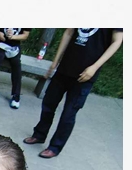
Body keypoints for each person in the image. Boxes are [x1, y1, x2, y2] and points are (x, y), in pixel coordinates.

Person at [23, 28, 123, 159]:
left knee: (69, 113)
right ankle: (39, 134)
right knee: (48, 103)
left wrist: (95, 67)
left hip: (85, 75)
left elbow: (117, 41)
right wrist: (55, 62)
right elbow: (68, 32)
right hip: (65, 68)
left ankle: (55, 147)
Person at [0, 28, 31, 109]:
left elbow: (25, 35)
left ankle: (16, 96)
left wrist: (13, 37)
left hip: (14, 46)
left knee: (16, 63)